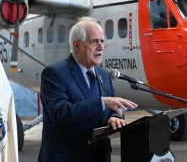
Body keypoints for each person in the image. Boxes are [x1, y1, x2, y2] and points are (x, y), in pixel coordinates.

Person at [38, 17, 138, 162]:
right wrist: (102, 103)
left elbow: (111, 109)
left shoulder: (104, 75)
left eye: (102, 41)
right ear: (77, 46)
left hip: (99, 156)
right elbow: (61, 114)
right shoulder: (54, 73)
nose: (101, 47)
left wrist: (114, 118)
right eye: (94, 42)